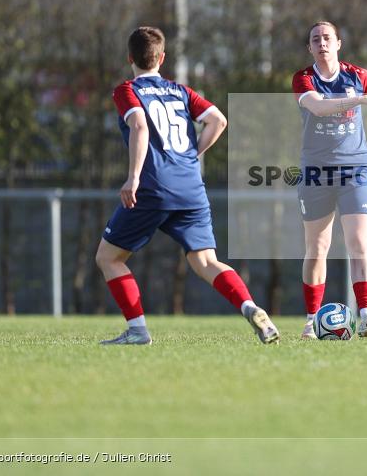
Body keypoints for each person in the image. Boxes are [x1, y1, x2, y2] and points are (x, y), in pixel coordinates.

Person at [95, 26, 279, 345]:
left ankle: (138, 331)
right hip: (191, 186)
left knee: (108, 258)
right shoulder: (180, 91)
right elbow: (218, 120)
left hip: (153, 187)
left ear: (130, 58)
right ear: (162, 58)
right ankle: (249, 306)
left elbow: (139, 126)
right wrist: (191, 155)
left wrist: (134, 177)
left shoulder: (127, 90)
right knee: (205, 261)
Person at [291, 21, 367, 339]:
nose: (322, 43)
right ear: (310, 47)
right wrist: (359, 101)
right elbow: (318, 107)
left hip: (356, 170)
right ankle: (311, 320)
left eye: (327, 38)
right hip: (316, 171)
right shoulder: (304, 78)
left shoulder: (360, 76)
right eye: (315, 39)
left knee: (358, 244)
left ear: (338, 43)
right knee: (317, 247)